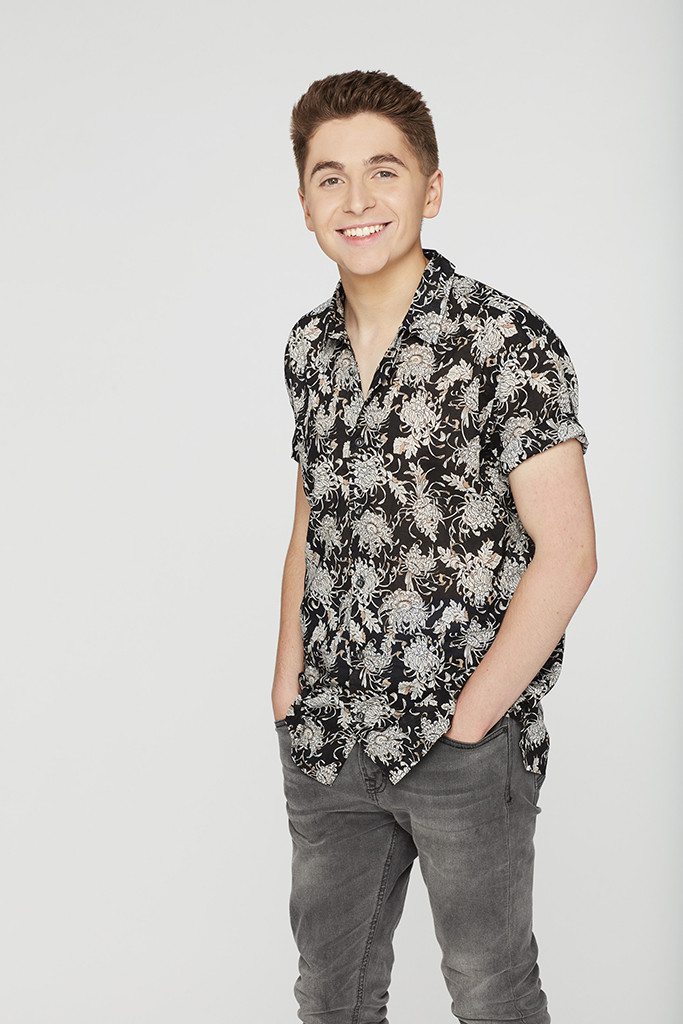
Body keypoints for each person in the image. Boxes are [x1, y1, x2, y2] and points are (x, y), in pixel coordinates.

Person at [271, 69, 596, 1024]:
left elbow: (569, 552)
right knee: (330, 995)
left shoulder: (505, 341)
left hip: (462, 743)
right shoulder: (307, 349)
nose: (357, 200)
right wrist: (287, 682)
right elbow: (312, 517)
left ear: (431, 188)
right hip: (328, 737)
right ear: (304, 204)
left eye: (384, 171)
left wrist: (473, 715)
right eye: (330, 177)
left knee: (489, 993)